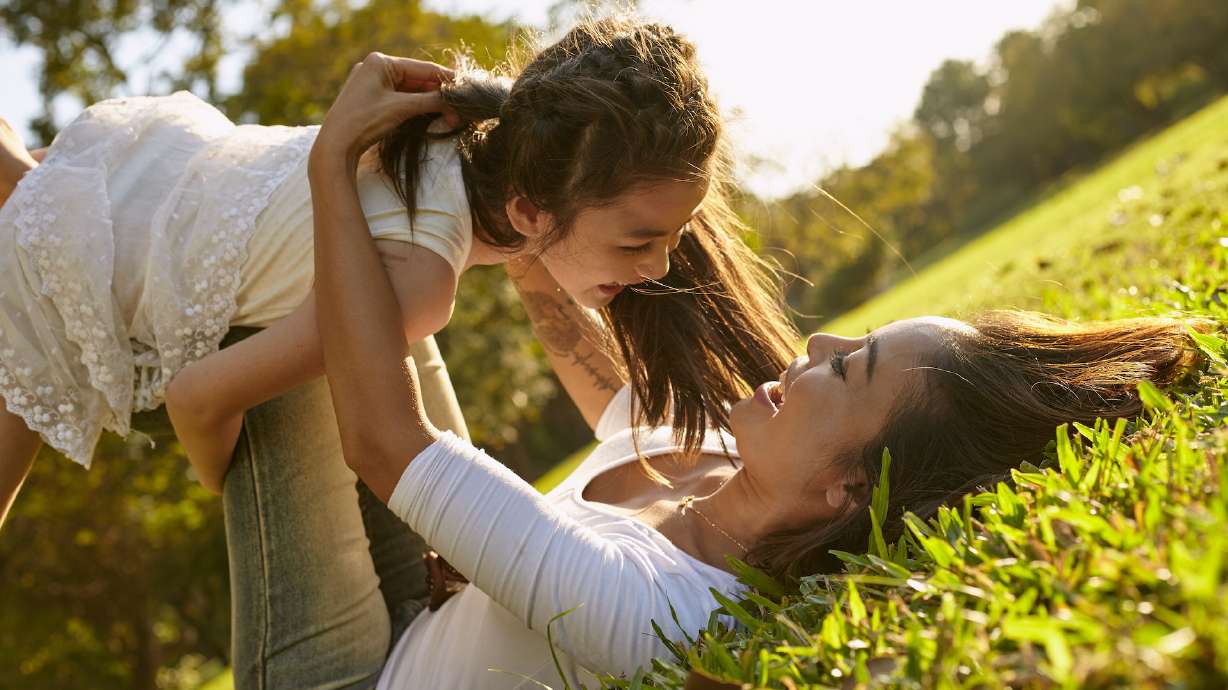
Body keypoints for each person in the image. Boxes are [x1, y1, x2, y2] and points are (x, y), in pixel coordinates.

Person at [303, 50, 1212, 689]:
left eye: (850, 370)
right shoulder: (695, 454)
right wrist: (560, 154)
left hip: (355, 677)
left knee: (278, 346)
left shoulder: (662, 615)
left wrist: (332, 165)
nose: (817, 347)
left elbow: (384, 442)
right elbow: (553, 292)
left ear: (845, 491)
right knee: (374, 312)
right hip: (417, 599)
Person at [0, 16, 798, 519]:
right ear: (528, 212)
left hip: (145, 172)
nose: (660, 267)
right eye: (637, 242)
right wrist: (228, 481)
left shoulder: (461, 141)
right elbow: (195, 395)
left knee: (25, 188)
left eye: (674, 235)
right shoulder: (418, 283)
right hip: (96, 266)